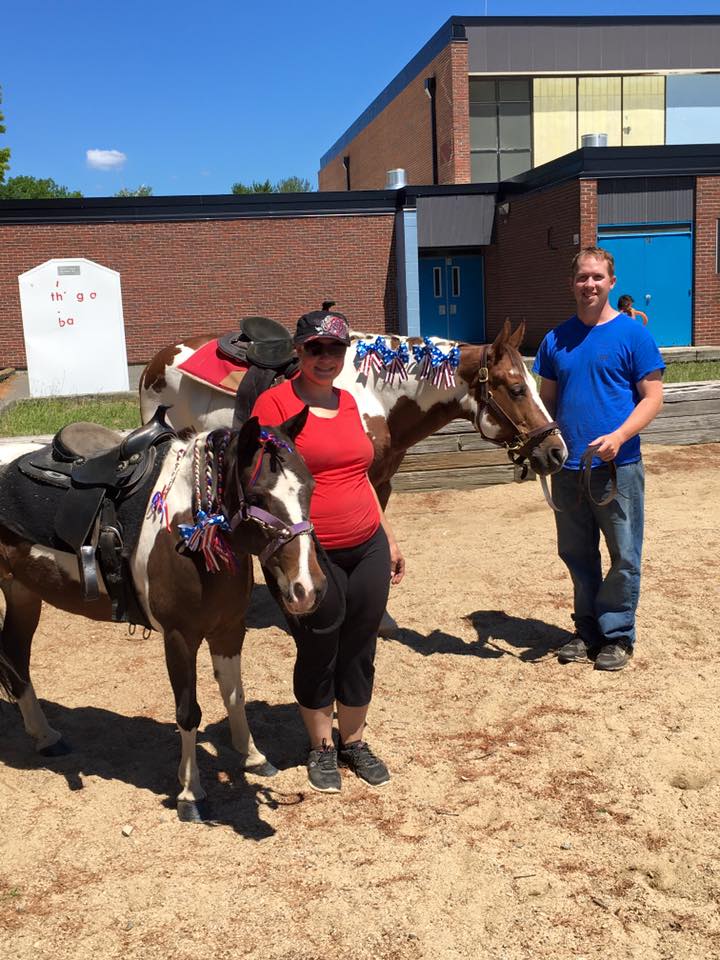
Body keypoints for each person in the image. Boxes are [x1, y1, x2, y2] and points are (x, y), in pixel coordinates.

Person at [252, 308, 405, 792]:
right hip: (311, 553)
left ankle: (353, 741)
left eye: (334, 349)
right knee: (320, 647)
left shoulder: (348, 401)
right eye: (315, 348)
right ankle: (320, 747)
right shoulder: (274, 406)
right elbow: (263, 485)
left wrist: (389, 535)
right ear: (298, 351)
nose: (325, 358)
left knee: (360, 647)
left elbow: (361, 475)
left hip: (368, 544)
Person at [533, 247, 664, 672]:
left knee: (624, 554)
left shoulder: (633, 335)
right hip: (568, 471)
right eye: (581, 277)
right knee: (576, 553)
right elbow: (546, 405)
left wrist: (621, 435)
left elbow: (653, 398)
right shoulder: (555, 340)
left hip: (617, 467)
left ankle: (617, 634)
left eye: (597, 277)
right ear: (571, 283)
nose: (589, 284)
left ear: (611, 282)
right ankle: (586, 628)